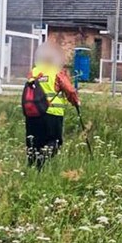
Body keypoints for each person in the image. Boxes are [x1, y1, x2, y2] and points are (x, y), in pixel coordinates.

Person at [25, 42, 80, 170]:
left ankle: (32, 168)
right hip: (53, 113)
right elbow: (70, 91)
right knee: (54, 141)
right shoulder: (57, 73)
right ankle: (43, 160)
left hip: (33, 113)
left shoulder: (33, 72)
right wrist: (76, 102)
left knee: (34, 142)